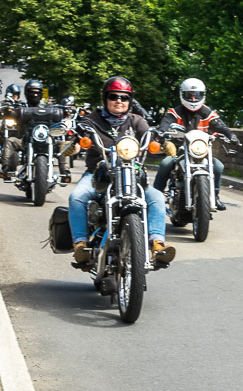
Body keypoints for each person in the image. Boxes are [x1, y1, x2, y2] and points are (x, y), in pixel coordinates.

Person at [68, 77, 175, 266]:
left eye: (124, 97)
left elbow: (150, 138)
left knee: (157, 197)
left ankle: (157, 244)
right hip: (97, 173)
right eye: (113, 96)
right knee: (77, 197)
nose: (119, 101)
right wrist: (73, 145)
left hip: (131, 173)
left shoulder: (136, 121)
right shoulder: (91, 121)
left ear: (130, 100)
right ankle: (80, 244)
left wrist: (163, 144)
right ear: (105, 98)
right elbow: (79, 141)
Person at [153, 78, 240, 210]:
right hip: (179, 151)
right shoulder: (175, 112)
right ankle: (156, 197)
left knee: (218, 166)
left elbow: (219, 125)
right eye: (189, 95)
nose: (193, 99)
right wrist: (160, 132)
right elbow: (166, 122)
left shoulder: (208, 113)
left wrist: (230, 135)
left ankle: (215, 196)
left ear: (202, 96)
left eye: (197, 96)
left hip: (200, 152)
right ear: (182, 95)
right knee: (166, 163)